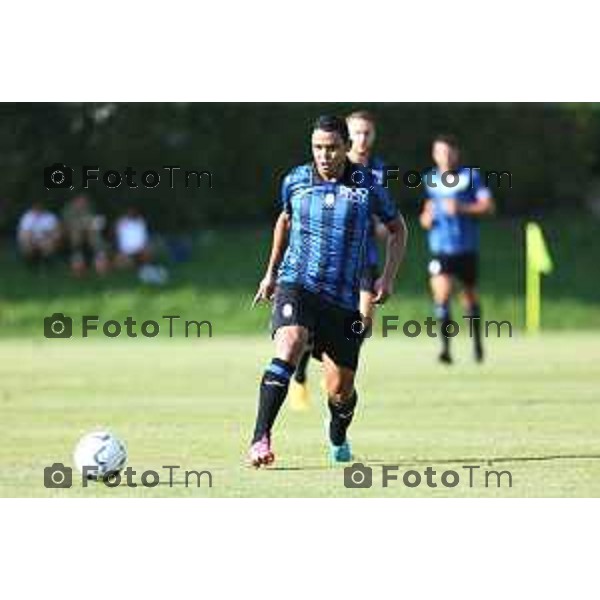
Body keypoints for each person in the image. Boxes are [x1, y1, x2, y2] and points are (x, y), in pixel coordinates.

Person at [249, 115, 407, 467]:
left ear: (346, 147)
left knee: (340, 391)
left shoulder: (368, 184)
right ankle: (260, 439)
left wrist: (387, 277)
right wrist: (271, 273)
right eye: (318, 147)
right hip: (298, 283)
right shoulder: (295, 180)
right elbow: (285, 219)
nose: (324, 155)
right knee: (290, 343)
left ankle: (337, 432)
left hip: (343, 299)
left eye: (332, 147)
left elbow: (398, 229)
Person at [289, 110, 391, 408]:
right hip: (326, 265)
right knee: (307, 328)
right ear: (347, 138)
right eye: (356, 132)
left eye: (367, 133)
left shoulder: (377, 172)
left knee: (362, 326)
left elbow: (385, 216)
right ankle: (299, 376)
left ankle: (337, 374)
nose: (362, 138)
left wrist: (384, 229)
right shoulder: (319, 172)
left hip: (364, 261)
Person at [419, 134, 495, 364]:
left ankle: (477, 345)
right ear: (434, 155)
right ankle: (445, 350)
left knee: (469, 299)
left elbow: (488, 207)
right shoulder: (429, 180)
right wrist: (427, 218)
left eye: (449, 152)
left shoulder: (471, 177)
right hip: (441, 249)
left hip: (466, 249)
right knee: (441, 296)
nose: (445, 157)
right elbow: (426, 214)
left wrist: (462, 207)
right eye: (440, 152)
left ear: (456, 153)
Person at [62, 194, 109, 275]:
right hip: (72, 235)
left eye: (84, 201)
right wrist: (84, 223)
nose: (83, 203)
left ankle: (100, 257)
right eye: (81, 201)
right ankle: (78, 259)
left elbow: (96, 221)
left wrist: (88, 223)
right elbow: (69, 224)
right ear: (75, 201)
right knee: (77, 233)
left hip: (88, 233)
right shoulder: (68, 210)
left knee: (93, 232)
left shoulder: (89, 209)